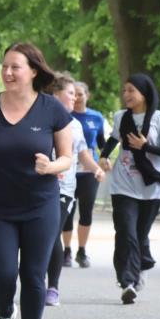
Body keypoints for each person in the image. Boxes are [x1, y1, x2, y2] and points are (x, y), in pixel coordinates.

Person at [0, 42, 72, 319]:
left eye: (15, 67)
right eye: (4, 66)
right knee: (1, 274)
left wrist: (51, 166)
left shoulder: (52, 109)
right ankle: (5, 312)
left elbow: (67, 157)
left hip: (40, 204)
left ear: (33, 71)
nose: (8, 73)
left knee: (32, 274)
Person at [99, 74, 160, 304]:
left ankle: (141, 265)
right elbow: (114, 139)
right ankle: (127, 282)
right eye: (124, 91)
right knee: (126, 233)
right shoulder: (120, 117)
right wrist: (104, 156)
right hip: (122, 185)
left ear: (144, 93)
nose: (126, 95)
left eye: (131, 90)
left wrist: (146, 146)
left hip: (151, 186)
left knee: (141, 235)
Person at [46, 76, 105, 306]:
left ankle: (53, 288)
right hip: (35, 186)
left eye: (76, 93)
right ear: (56, 94)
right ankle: (34, 282)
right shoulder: (38, 118)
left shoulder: (75, 125)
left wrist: (96, 169)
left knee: (52, 233)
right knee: (37, 237)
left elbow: (82, 155)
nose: (75, 98)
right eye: (70, 93)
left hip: (63, 188)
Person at [64, 81, 107, 268]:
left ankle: (82, 250)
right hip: (69, 170)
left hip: (89, 169)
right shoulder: (65, 116)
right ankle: (66, 250)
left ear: (87, 96)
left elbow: (101, 142)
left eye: (80, 94)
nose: (77, 98)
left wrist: (104, 159)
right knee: (67, 211)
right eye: (74, 94)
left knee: (86, 210)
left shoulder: (96, 117)